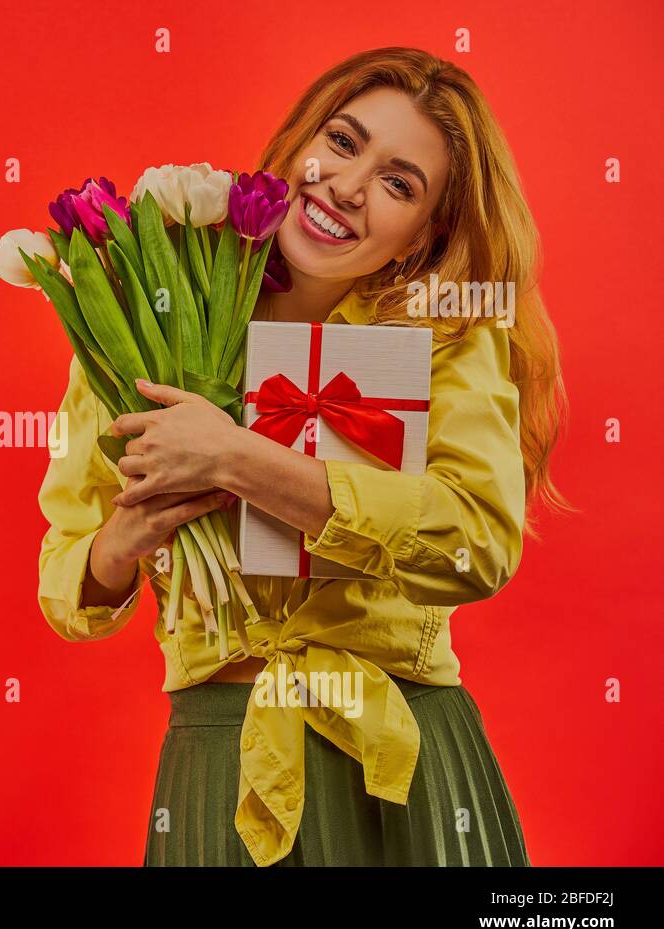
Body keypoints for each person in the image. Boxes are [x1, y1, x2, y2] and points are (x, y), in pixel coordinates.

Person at [36, 47, 571, 866]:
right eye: (344, 143)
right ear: (296, 147)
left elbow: (478, 543)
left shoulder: (446, 337)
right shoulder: (145, 308)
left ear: (423, 232)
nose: (348, 188)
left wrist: (236, 459)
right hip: (222, 754)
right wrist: (126, 536)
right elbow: (68, 578)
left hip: (399, 751)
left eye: (399, 183)